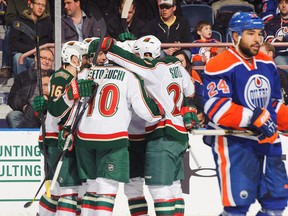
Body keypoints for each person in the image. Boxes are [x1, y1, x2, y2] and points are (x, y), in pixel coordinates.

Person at [91, 35, 198, 215]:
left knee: (158, 189)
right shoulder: (175, 66)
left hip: (158, 134)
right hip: (175, 135)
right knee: (172, 187)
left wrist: (110, 48)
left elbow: (136, 63)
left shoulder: (152, 69)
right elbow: (190, 91)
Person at [203, 11, 288, 215]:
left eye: (259, 33)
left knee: (276, 202)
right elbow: (215, 107)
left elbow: (274, 103)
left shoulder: (267, 63)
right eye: (251, 33)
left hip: (267, 139)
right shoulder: (219, 64)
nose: (257, 39)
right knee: (237, 206)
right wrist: (255, 117)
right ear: (235, 36)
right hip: (235, 142)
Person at [39, 40, 94, 216]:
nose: (87, 61)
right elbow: (56, 110)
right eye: (84, 57)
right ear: (73, 58)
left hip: (58, 138)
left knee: (56, 189)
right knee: (70, 190)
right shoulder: (63, 77)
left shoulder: (70, 78)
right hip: (57, 139)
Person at [6, 47, 54, 128]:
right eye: (44, 58)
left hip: (48, 110)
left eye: (50, 60)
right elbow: (12, 99)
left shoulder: (55, 77)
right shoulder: (23, 77)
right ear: (35, 58)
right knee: (13, 115)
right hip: (28, 108)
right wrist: (24, 107)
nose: (46, 62)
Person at [9, 0, 53, 76]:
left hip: (42, 57)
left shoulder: (48, 22)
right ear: (31, 5)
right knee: (18, 58)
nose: (40, 8)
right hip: (25, 56)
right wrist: (33, 50)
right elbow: (13, 44)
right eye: (38, 4)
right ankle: (22, 86)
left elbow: (51, 42)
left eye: (43, 5)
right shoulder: (19, 21)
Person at [173, 49, 207, 128]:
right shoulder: (168, 75)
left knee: (204, 102)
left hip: (193, 99)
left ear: (186, 62)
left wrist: (194, 84)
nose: (180, 64)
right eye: (176, 62)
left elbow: (201, 91)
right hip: (176, 101)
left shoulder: (193, 73)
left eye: (181, 61)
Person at [264, 0, 288, 70]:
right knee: (282, 65)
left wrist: (283, 38)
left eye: (286, 3)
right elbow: (269, 41)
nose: (284, 5)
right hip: (279, 55)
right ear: (278, 5)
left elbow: (277, 40)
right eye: (281, 3)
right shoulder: (271, 23)